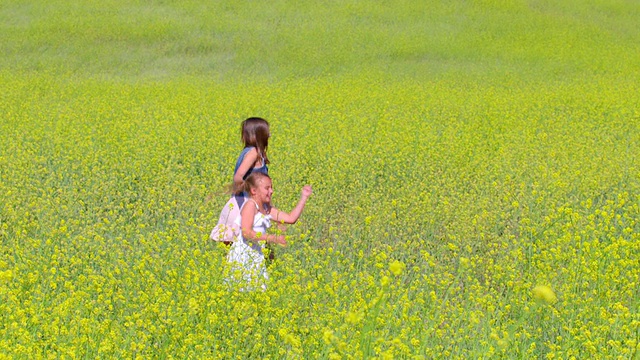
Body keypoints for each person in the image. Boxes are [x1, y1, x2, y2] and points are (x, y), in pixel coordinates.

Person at [226, 172, 312, 291]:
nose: (271, 191)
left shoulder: (267, 209)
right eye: (267, 188)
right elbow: (247, 232)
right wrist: (272, 238)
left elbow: (290, 218)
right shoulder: (250, 205)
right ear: (254, 191)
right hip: (243, 256)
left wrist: (304, 197)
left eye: (271, 187)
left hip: (256, 255)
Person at [210, 117, 271, 244]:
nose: (269, 134)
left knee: (237, 249)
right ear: (259, 134)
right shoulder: (253, 153)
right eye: (267, 131)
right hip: (243, 205)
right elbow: (238, 177)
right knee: (247, 247)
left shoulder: (250, 152)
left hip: (240, 203)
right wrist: (253, 192)